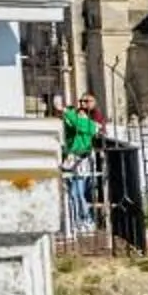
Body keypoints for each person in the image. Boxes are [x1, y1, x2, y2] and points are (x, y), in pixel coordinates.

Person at [57, 96, 99, 235]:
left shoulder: (90, 125)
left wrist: (64, 110)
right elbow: (70, 124)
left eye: (82, 111)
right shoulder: (76, 123)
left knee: (78, 193)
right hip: (71, 159)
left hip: (82, 159)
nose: (79, 112)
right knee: (72, 193)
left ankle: (86, 220)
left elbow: (77, 123)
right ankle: (76, 222)